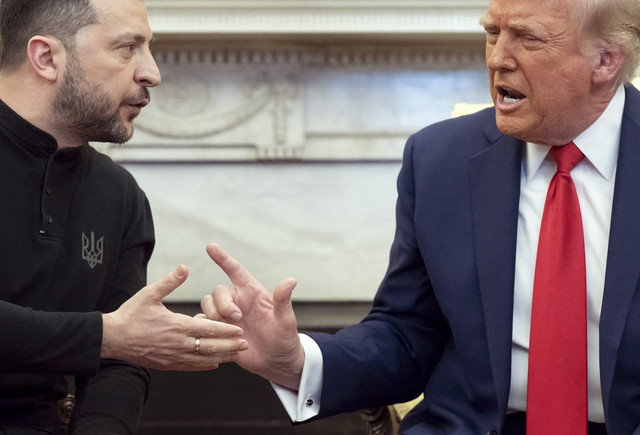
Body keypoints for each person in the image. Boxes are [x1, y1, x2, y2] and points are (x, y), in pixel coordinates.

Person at [202, 0, 640, 433]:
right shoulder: (440, 159)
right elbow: (408, 335)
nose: (497, 58)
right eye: (492, 33)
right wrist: (296, 360)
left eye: (528, 38)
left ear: (605, 60)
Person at [0, 0, 248, 433]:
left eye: (148, 48)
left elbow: (124, 360)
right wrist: (104, 336)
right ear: (46, 58)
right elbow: (116, 338)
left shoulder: (119, 194)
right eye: (127, 48)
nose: (152, 73)